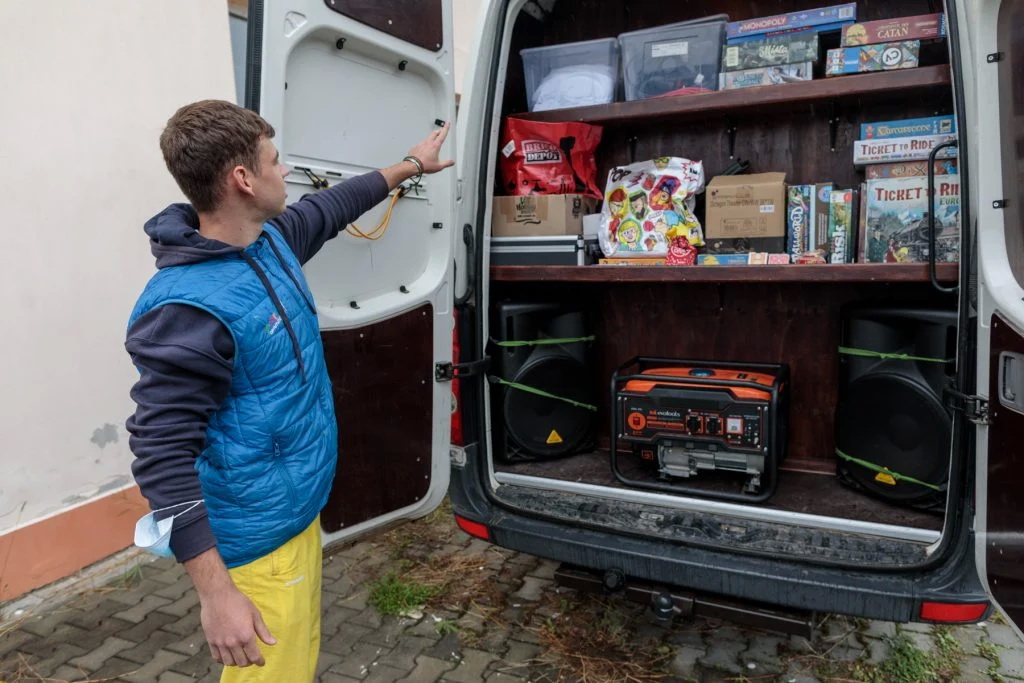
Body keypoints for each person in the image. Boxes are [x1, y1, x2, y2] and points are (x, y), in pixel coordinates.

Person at [124, 99, 453, 682]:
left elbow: (335, 204)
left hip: (293, 512)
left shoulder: (269, 242)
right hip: (256, 545)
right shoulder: (187, 310)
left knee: (296, 663)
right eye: (275, 161)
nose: (287, 170)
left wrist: (410, 165)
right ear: (243, 180)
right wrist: (217, 595)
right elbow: (161, 456)